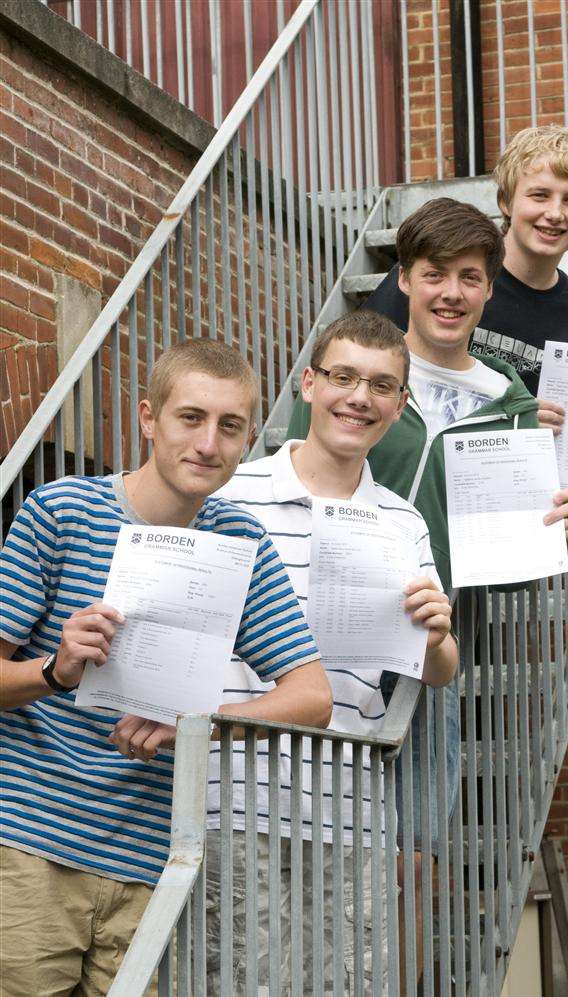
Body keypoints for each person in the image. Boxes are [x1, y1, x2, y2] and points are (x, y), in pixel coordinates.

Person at [288, 196, 568, 984]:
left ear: (489, 291)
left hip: (422, 645)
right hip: (311, 634)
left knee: (412, 855)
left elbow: (505, 547)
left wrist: (548, 529)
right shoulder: (363, 384)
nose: (451, 292)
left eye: (470, 278)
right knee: (293, 835)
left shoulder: (509, 400)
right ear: (405, 281)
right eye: (434, 275)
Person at [0, 339, 332, 996]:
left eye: (230, 425)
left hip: (150, 862)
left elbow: (311, 696)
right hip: (28, 850)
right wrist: (56, 670)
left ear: (245, 439)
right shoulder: (62, 510)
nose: (208, 443)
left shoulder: (242, 542)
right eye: (191, 417)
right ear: (148, 417)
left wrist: (200, 721)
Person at [205, 311, 459, 994]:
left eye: (381, 385)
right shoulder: (232, 495)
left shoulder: (401, 521)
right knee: (241, 980)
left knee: (352, 981)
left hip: (351, 794)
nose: (359, 397)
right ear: (309, 384)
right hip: (236, 788)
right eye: (344, 377)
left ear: (400, 406)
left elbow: (440, 669)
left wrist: (437, 633)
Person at [362, 125, 568, 462]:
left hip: (502, 501)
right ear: (505, 200)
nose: (555, 214)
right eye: (540, 195)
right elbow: (361, 371)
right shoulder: (438, 282)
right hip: (401, 467)